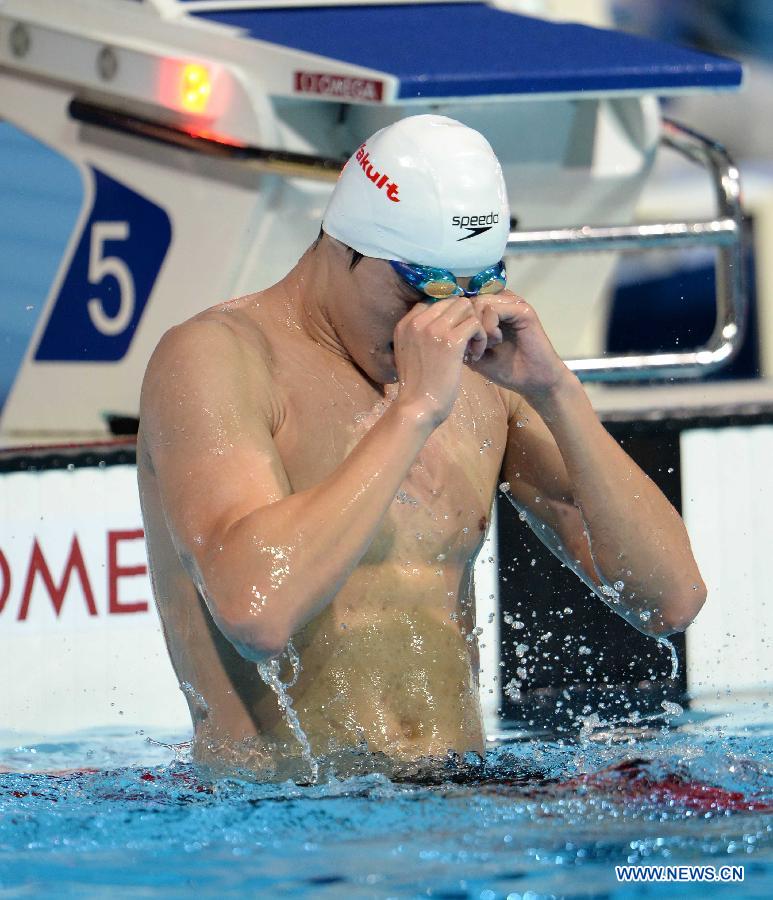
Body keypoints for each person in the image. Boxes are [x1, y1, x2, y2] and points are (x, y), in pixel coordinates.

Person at [137, 115, 706, 781]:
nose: (438, 324)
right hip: (290, 824)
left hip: (457, 800)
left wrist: (558, 394)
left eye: (471, 289)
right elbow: (256, 610)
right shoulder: (218, 357)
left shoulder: (484, 377)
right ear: (342, 246)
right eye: (418, 291)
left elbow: (668, 601)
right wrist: (412, 412)